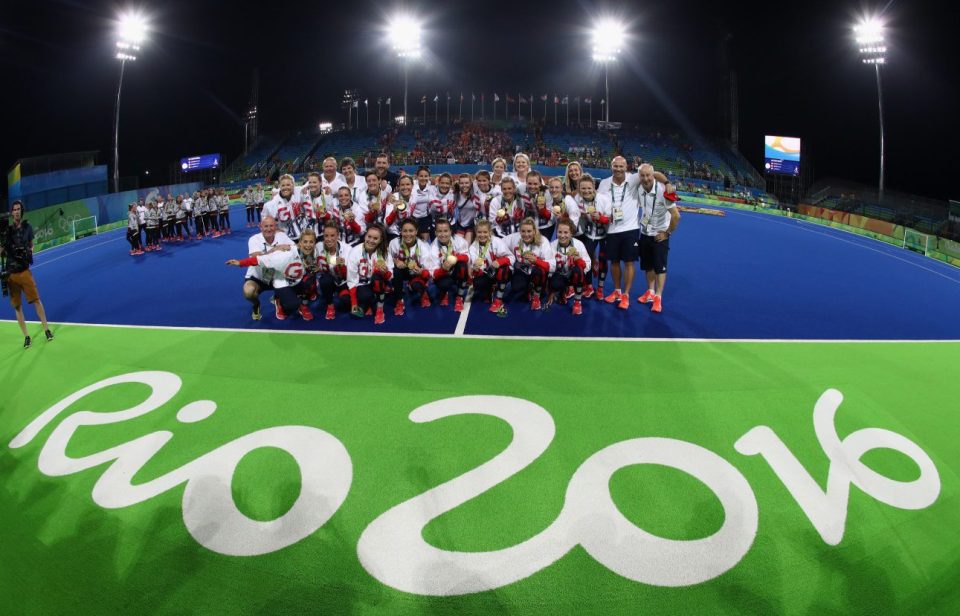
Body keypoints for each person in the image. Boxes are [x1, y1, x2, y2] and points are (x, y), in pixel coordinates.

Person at [597, 156, 676, 310]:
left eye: (621, 166)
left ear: (626, 167)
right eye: (615, 166)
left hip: (631, 228)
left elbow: (655, 174)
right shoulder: (605, 183)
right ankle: (617, 291)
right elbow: (599, 202)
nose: (618, 169)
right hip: (612, 229)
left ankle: (626, 295)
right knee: (613, 262)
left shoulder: (634, 178)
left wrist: (667, 183)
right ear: (611, 167)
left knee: (628, 262)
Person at [226, 226, 316, 321]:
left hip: (297, 279)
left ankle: (302, 303)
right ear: (300, 243)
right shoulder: (285, 254)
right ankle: (279, 300)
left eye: (311, 242)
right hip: (283, 282)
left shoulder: (314, 251)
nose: (308, 245)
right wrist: (240, 263)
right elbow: (259, 260)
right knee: (291, 305)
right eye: (305, 242)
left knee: (311, 281)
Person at [2, 200, 53, 348]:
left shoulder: (28, 228)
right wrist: (3, 241)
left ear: (21, 211)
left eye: (18, 209)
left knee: (36, 300)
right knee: (17, 307)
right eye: (14, 209)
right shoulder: (7, 231)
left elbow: (31, 246)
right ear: (11, 213)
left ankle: (46, 329)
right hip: (11, 274)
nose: (16, 211)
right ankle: (27, 336)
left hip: (24, 271)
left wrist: (29, 252)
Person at [635, 163, 681, 313]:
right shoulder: (639, 187)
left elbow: (676, 216)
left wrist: (667, 233)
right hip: (645, 232)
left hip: (660, 235)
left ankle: (658, 297)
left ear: (653, 175)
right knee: (648, 265)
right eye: (642, 175)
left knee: (660, 268)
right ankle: (650, 291)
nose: (646, 178)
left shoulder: (664, 191)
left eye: (648, 175)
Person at [230, 215, 293, 320]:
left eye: (272, 226)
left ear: (276, 226)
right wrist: (276, 249)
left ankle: (278, 297)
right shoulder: (254, 239)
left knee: (293, 278)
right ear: (261, 227)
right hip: (258, 277)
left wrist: (287, 249)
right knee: (248, 292)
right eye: (266, 226)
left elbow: (292, 249)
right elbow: (258, 259)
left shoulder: (282, 236)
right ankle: (256, 305)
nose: (269, 229)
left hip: (277, 276)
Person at [570, 174, 611, 299]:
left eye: (589, 188)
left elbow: (612, 219)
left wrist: (602, 218)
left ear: (594, 187)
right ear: (579, 188)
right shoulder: (577, 198)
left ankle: (600, 288)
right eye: (583, 188)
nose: (586, 191)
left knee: (603, 260)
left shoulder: (604, 199)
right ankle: (588, 286)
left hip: (605, 234)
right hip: (588, 234)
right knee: (586, 260)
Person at [346, 223, 394, 325]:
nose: (371, 240)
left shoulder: (385, 252)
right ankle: (370, 302)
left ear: (380, 240)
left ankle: (380, 310)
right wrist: (354, 303)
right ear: (365, 236)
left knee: (377, 278)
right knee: (364, 296)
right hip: (363, 284)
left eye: (375, 238)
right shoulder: (355, 252)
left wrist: (385, 272)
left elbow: (391, 276)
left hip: (379, 282)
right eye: (369, 237)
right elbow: (351, 280)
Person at [504, 217, 554, 311]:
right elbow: (499, 244)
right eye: (523, 231)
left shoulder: (543, 242)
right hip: (523, 270)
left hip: (538, 272)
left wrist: (537, 261)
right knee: (516, 287)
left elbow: (552, 266)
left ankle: (536, 295)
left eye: (529, 231)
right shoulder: (514, 238)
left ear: (534, 231)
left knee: (539, 271)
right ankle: (528, 288)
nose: (526, 234)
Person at [388, 219, 435, 315]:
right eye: (405, 231)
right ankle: (399, 301)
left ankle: (423, 292)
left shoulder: (423, 246)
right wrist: (395, 261)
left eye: (411, 231)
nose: (408, 234)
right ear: (400, 231)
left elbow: (428, 269)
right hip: (401, 271)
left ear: (416, 231)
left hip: (416, 273)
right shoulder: (394, 243)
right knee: (395, 271)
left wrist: (420, 271)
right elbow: (387, 258)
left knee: (417, 285)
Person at [468, 218, 514, 314]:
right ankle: (489, 290)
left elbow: (512, 258)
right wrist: (475, 268)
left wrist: (500, 261)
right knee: (477, 284)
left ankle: (499, 299)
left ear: (490, 232)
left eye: (485, 232)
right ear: (476, 232)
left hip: (502, 272)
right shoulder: (473, 247)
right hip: (488, 272)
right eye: (479, 232)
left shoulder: (497, 241)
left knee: (503, 269)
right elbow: (476, 268)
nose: (482, 235)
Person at [550, 219, 591, 315]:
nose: (562, 235)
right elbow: (549, 267)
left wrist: (578, 259)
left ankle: (577, 302)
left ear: (571, 233)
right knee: (555, 284)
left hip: (574, 274)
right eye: (559, 232)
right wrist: (551, 290)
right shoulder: (552, 245)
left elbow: (588, 265)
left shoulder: (579, 245)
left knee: (578, 271)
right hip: (560, 273)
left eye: (566, 232)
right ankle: (563, 291)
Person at [430, 218, 470, 311]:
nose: (443, 234)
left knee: (463, 266)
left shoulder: (460, 241)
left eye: (445, 231)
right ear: (435, 233)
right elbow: (434, 274)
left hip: (456, 271)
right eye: (439, 231)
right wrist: (443, 269)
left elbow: (467, 257)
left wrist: (456, 258)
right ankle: (444, 293)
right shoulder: (433, 248)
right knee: (443, 285)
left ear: (451, 231)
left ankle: (459, 297)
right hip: (444, 274)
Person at [316, 221, 350, 320]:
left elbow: (350, 274)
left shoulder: (347, 249)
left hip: (343, 281)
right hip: (328, 281)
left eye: (332, 235)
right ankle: (330, 305)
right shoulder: (318, 247)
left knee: (346, 302)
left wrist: (342, 266)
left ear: (338, 236)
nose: (329, 239)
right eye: (326, 236)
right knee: (325, 279)